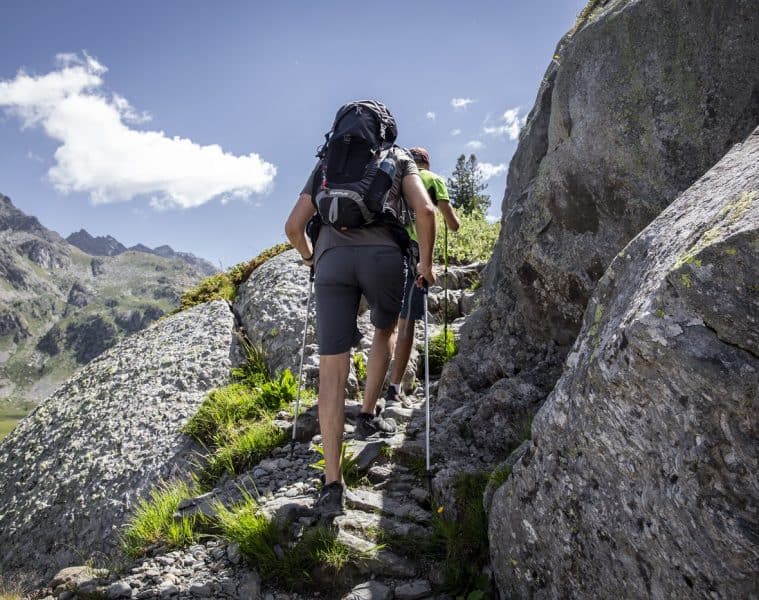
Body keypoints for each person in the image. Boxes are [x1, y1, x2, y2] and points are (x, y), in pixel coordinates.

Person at [285, 104, 436, 519]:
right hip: (384, 258)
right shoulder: (399, 157)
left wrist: (311, 258)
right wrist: (425, 264)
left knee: (332, 370)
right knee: (384, 331)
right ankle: (368, 413)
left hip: (331, 259)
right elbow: (425, 211)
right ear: (385, 130)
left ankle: (332, 482)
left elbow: (293, 227)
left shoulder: (327, 162)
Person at [383, 147, 460, 408]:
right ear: (426, 162)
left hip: (386, 250)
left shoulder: (393, 178)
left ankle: (372, 388)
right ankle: (394, 389)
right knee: (406, 322)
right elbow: (452, 223)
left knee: (386, 323)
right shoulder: (432, 179)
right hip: (414, 254)